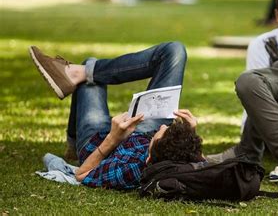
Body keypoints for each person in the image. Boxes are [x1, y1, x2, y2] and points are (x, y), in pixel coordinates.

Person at [29, 43, 204, 190]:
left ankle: (73, 144)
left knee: (89, 69)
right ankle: (81, 71)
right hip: (141, 132)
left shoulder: (130, 170)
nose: (164, 126)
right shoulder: (173, 155)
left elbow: (81, 175)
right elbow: (199, 163)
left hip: (98, 143)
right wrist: (191, 135)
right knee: (174, 50)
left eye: (161, 133)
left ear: (150, 157)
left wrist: (113, 138)